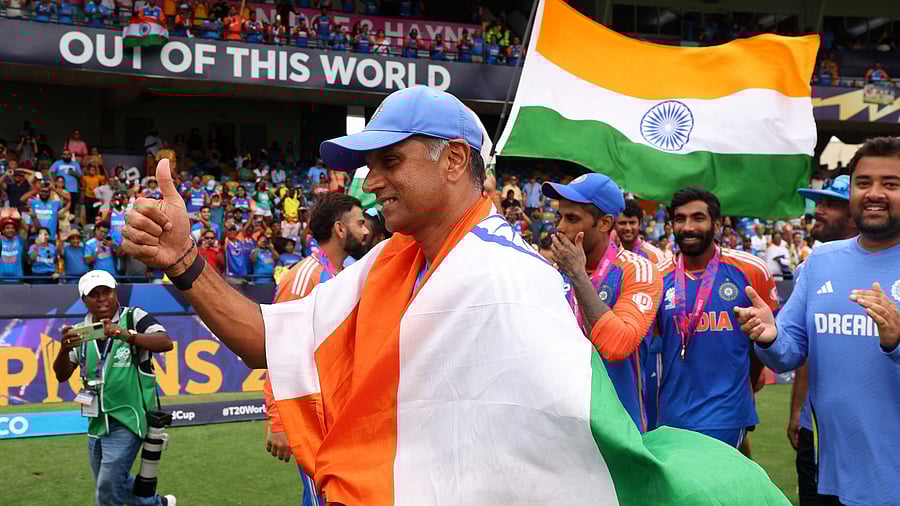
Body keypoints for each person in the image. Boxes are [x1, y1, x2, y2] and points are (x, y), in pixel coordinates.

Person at [121, 88, 791, 505]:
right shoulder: (391, 259)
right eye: (367, 164)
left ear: (452, 162)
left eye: (389, 160)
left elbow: (575, 450)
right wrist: (184, 262)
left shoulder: (506, 280)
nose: (369, 180)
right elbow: (270, 338)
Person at [737, 138, 900, 506]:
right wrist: (768, 335)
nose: (874, 193)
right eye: (864, 183)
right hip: (830, 474)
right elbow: (787, 353)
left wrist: (896, 341)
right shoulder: (821, 260)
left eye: (891, 183)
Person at [652, 186, 776, 448]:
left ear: (716, 224)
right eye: (680, 219)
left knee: (717, 486)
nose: (687, 227)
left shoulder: (751, 270)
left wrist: (748, 387)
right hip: (672, 415)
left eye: (698, 218)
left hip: (727, 413)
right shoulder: (656, 278)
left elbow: (766, 343)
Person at [543, 173, 662, 431]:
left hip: (619, 428)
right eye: (560, 217)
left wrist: (577, 275)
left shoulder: (639, 270)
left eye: (572, 219)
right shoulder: (551, 274)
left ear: (605, 223)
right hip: (562, 425)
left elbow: (617, 345)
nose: (561, 228)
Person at [52, 270, 176, 506]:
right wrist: (64, 349)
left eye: (106, 292)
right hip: (96, 421)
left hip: (129, 417)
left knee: (107, 489)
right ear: (84, 300)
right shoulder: (81, 331)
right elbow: (62, 375)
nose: (102, 299)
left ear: (115, 292)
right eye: (94, 294)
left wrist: (124, 334)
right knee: (110, 483)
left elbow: (164, 342)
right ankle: (157, 504)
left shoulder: (134, 317)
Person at [778, 174, 857, 505]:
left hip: (864, 425)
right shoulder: (811, 267)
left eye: (830, 204)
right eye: (819, 203)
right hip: (816, 423)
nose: (818, 211)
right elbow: (807, 350)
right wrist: (797, 411)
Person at [616, 199, 665, 264]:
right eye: (622, 223)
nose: (628, 228)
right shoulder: (606, 253)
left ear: (640, 223)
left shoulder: (654, 255)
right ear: (614, 224)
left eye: (632, 223)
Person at [50, 149, 82, 214]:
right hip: (60, 188)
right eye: (65, 154)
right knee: (59, 206)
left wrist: (74, 173)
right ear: (62, 155)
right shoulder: (57, 163)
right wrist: (53, 182)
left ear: (71, 156)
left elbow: (80, 176)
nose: (67, 156)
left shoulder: (76, 164)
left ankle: (70, 223)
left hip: (72, 189)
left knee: (71, 208)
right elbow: (50, 172)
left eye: (68, 154)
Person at [0, 216, 25, 280]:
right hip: (1, 279)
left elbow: (25, 229)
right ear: (3, 231)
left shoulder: (19, 240)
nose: (10, 230)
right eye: (7, 228)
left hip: (18, 278)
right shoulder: (0, 240)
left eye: (13, 228)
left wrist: (20, 219)